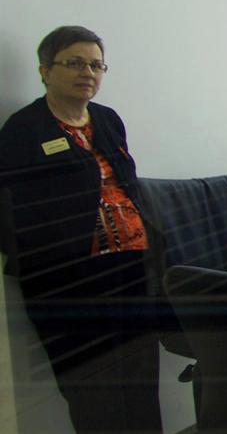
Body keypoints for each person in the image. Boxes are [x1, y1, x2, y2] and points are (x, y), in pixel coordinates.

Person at [0, 26, 162, 433]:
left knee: (140, 380)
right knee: (93, 386)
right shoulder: (24, 131)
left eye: (95, 64)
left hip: (132, 268)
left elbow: (129, 186)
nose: (87, 72)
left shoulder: (107, 120)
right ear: (44, 70)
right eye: (74, 63)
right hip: (72, 280)